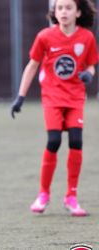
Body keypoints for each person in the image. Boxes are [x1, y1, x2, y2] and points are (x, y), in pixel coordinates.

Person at [11, 0, 98, 216]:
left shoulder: (86, 38)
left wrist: (89, 74)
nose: (64, 12)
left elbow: (90, 65)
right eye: (60, 8)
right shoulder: (45, 37)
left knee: (76, 142)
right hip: (52, 96)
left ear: (78, 12)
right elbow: (32, 66)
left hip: (75, 97)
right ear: (54, 12)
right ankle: (43, 194)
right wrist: (20, 97)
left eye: (68, 8)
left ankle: (71, 197)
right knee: (54, 141)